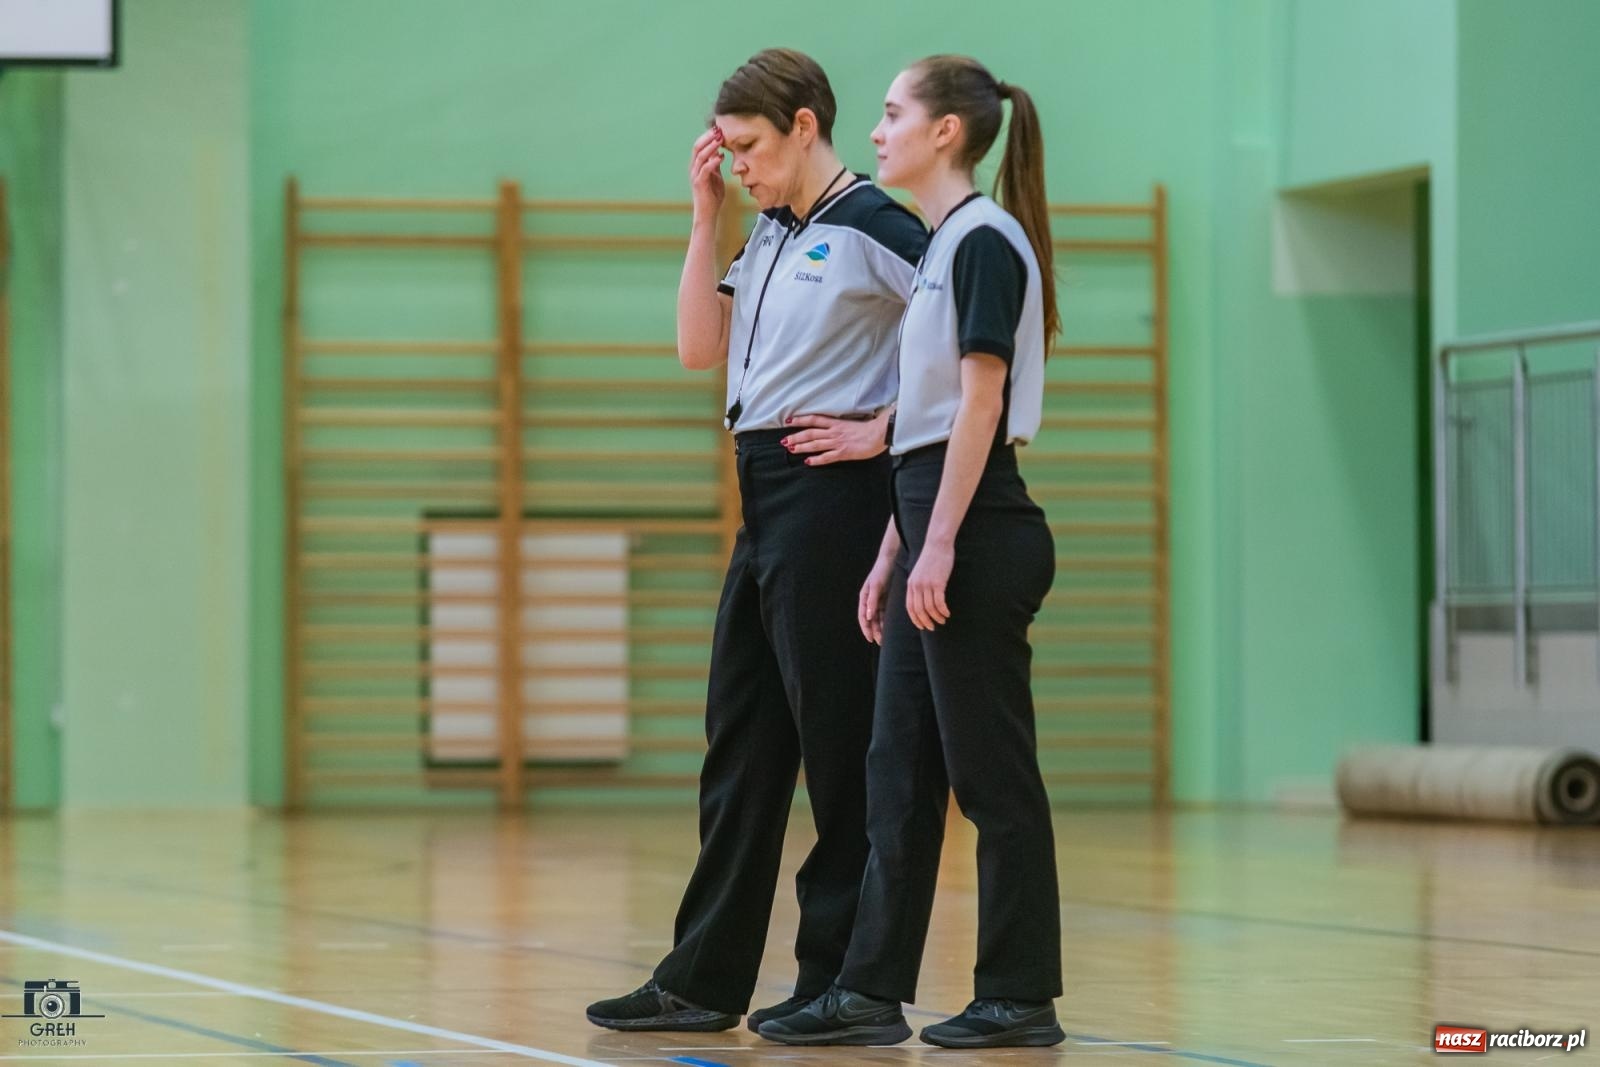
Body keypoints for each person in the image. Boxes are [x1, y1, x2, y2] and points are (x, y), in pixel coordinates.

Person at [585, 47, 927, 1033]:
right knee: (740, 745)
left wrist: (887, 425)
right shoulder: (773, 230)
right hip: (762, 494)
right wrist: (707, 220)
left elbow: (977, 345)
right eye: (725, 149)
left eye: (749, 146)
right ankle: (700, 977)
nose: (736, 163)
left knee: (839, 752)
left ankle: (844, 983)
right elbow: (701, 347)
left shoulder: (875, 225)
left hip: (836, 498)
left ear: (806, 126)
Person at [759, 54, 1066, 1049]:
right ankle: (870, 989)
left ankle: (1019, 994)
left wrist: (936, 547)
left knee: (991, 777)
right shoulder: (941, 246)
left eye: (893, 113)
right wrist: (895, 547)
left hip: (979, 533)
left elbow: (980, 403)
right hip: (934, 517)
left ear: (946, 132)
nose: (878, 130)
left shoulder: (983, 239)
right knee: (896, 769)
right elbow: (924, 426)